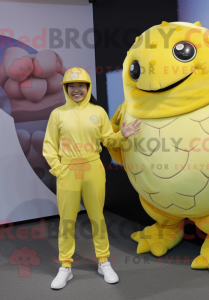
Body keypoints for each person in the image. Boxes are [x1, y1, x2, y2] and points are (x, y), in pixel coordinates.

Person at [43, 67, 140, 289]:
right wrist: (59, 170)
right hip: (68, 170)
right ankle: (65, 267)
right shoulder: (58, 114)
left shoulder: (98, 112)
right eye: (72, 86)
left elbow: (108, 140)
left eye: (81, 86)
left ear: (88, 87)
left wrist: (121, 136)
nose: (76, 90)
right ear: (66, 89)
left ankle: (103, 261)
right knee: (67, 220)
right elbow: (49, 146)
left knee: (97, 217)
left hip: (93, 167)